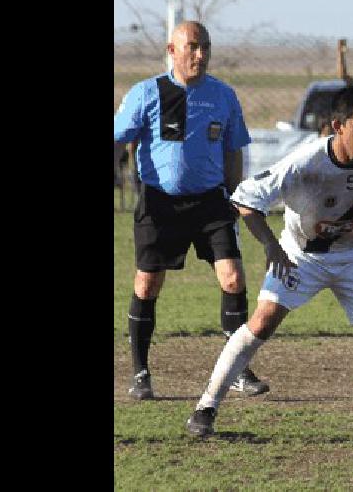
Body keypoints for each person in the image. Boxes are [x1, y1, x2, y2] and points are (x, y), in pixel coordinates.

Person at [185, 86, 353, 438]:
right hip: (302, 257)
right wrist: (271, 246)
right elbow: (246, 200)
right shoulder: (304, 162)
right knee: (262, 322)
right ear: (337, 125)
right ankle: (206, 406)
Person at [113, 21, 269, 400]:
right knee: (148, 285)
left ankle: (237, 370)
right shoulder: (146, 93)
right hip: (159, 203)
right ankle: (140, 373)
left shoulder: (223, 95)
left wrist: (235, 196)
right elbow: (118, 139)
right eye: (193, 47)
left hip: (210, 202)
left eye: (206, 48)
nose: (200, 55)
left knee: (232, 279)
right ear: (172, 50)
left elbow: (234, 149)